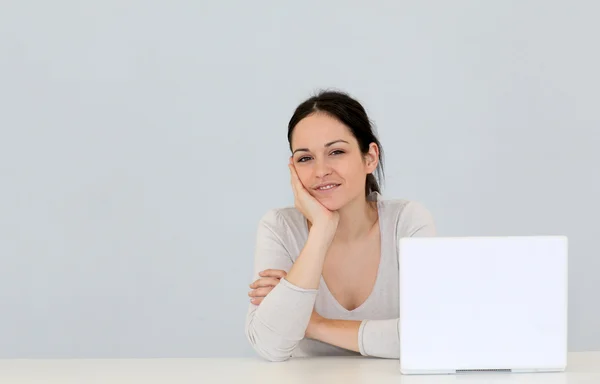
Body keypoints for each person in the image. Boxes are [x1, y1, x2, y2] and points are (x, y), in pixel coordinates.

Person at [244, 90, 436, 362]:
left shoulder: (406, 223)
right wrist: (321, 230)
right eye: (305, 158)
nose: (321, 171)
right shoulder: (280, 227)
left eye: (336, 152)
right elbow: (271, 345)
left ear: (370, 157)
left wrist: (314, 324)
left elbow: (430, 335)